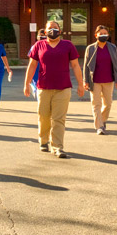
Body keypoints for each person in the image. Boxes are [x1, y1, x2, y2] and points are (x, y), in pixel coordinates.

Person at [24, 20, 85, 158]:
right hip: (44, 87)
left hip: (63, 87)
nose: (53, 30)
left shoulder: (67, 45)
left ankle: (57, 147)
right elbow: (32, 65)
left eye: (55, 28)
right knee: (44, 116)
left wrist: (81, 84)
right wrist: (26, 83)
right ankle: (43, 140)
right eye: (50, 28)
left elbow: (75, 66)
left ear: (60, 31)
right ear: (45, 32)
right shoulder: (38, 45)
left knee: (59, 118)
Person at [83, 25, 117, 135]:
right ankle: (99, 126)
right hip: (94, 80)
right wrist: (85, 80)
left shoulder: (113, 47)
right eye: (101, 33)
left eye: (105, 33)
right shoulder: (90, 48)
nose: (103, 35)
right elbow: (86, 66)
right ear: (96, 35)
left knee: (108, 103)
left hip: (108, 80)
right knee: (96, 104)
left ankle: (103, 120)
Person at [28, 28, 47, 100]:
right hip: (36, 71)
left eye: (43, 36)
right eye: (40, 36)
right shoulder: (34, 47)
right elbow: (31, 63)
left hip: (45, 71)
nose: (41, 38)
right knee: (38, 88)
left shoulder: (49, 47)